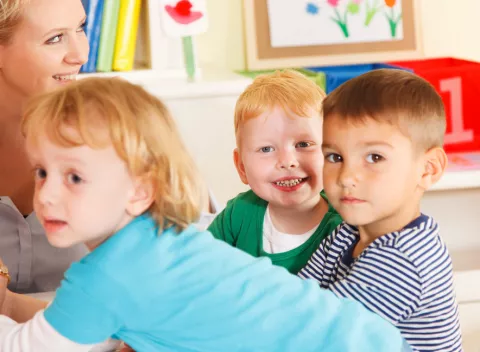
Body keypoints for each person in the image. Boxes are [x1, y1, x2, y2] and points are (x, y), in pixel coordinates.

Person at [0, 77, 410, 351]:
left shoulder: (105, 277)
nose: (47, 194)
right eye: (41, 171)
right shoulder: (165, 240)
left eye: (73, 177)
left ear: (141, 190)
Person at [0, 0, 218, 294]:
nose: (80, 55)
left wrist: (14, 308)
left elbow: (187, 278)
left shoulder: (123, 126)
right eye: (54, 39)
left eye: (80, 28)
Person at [298, 69, 462, 351]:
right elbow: (297, 299)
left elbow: (317, 334)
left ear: (428, 169)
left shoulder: (403, 258)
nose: (347, 176)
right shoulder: (346, 234)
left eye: (374, 157)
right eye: (335, 157)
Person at [208, 70, 342, 274]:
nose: (287, 162)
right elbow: (197, 270)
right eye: (266, 149)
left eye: (304, 144)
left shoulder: (345, 227)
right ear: (242, 167)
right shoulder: (238, 214)